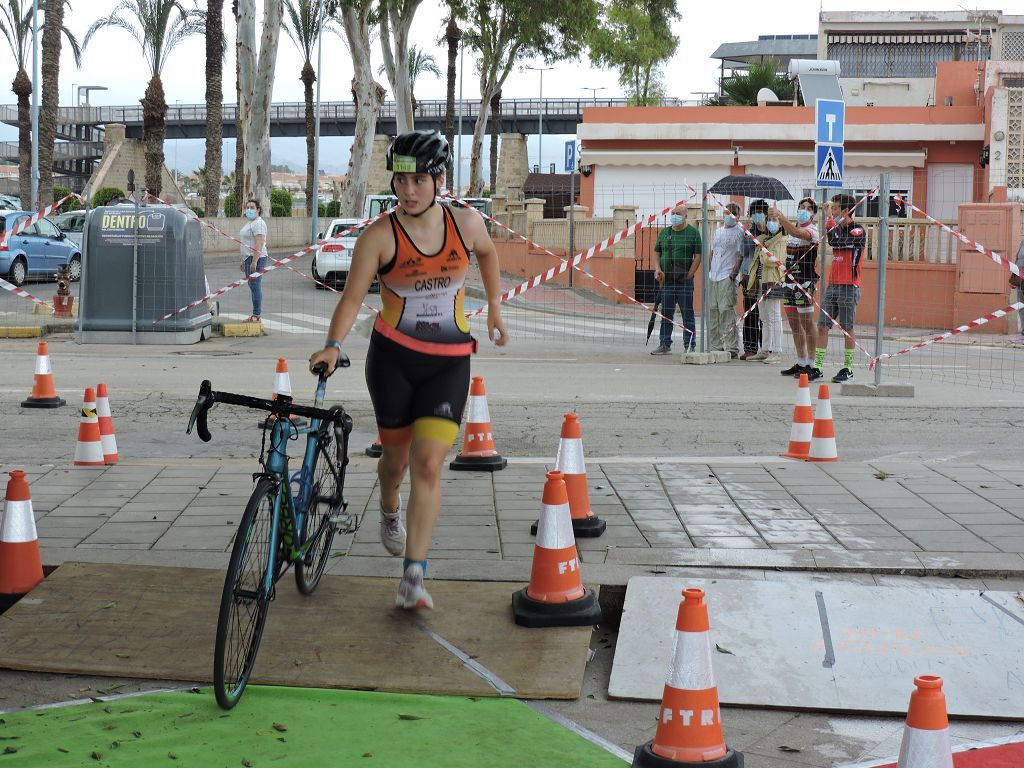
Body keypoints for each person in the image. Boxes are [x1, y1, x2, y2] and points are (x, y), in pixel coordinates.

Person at [308, 130, 508, 611]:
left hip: (449, 363)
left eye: (419, 179)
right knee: (394, 463)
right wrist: (333, 346)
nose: (409, 190)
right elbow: (353, 297)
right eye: (402, 180)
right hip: (393, 360)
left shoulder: (466, 223)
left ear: (440, 179)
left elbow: (488, 254)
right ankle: (388, 508)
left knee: (429, 462)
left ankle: (413, 575)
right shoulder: (379, 236)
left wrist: (496, 307)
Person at [812, 194, 866, 383]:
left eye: (835, 209)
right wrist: (832, 223)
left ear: (846, 211)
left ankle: (848, 368)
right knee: (821, 326)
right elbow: (833, 238)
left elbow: (835, 241)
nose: (832, 212)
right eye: (831, 209)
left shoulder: (858, 231)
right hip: (832, 285)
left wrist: (829, 220)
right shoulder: (836, 228)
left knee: (846, 327)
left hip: (849, 286)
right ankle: (817, 367)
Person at [770, 198, 819, 376]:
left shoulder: (812, 230)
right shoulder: (789, 231)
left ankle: (812, 364)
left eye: (808, 209)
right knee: (794, 324)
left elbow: (799, 233)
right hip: (789, 282)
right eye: (801, 207)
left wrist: (781, 217)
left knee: (807, 323)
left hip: (804, 282)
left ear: (813, 214)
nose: (803, 210)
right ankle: (801, 361)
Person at [650, 205, 701, 355]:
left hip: (684, 280)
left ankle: (690, 344)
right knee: (666, 313)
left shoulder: (693, 233)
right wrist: (657, 269)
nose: (674, 216)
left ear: (685, 216)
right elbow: (657, 252)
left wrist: (690, 274)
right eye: (672, 213)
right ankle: (665, 343)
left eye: (678, 214)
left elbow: (698, 256)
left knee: (687, 314)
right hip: (667, 281)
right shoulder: (665, 232)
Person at [746, 209, 788, 363]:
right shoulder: (763, 239)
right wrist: (763, 248)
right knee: (763, 317)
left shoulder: (783, 239)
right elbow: (757, 258)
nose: (771, 222)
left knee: (774, 316)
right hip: (759, 280)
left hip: (773, 280)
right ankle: (765, 349)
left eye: (774, 219)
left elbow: (774, 261)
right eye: (769, 219)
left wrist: (764, 251)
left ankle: (777, 351)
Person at [707, 202, 743, 357]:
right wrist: (709, 269)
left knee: (726, 311)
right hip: (713, 275)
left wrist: (733, 275)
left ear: (738, 215)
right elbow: (713, 251)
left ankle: (731, 346)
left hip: (727, 276)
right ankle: (716, 344)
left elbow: (740, 255)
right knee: (713, 311)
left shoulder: (740, 231)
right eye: (727, 212)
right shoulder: (718, 231)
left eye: (733, 212)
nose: (730, 215)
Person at [738, 200, 768, 359]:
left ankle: (766, 347)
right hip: (749, 275)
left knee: (765, 314)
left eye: (759, 212)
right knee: (750, 312)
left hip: (765, 276)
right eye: (753, 212)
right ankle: (750, 347)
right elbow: (743, 252)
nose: (756, 215)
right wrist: (749, 235)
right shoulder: (748, 232)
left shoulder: (772, 231)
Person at [239, 199, 268, 323]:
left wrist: (254, 261)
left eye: (252, 207)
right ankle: (255, 314)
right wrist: (244, 260)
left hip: (256, 258)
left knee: (255, 285)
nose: (249, 210)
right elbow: (247, 242)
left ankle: (256, 315)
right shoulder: (250, 223)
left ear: (258, 210)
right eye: (247, 207)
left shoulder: (258, 223)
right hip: (248, 257)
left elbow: (259, 243)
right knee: (252, 285)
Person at [1011, 238, 1024, 345]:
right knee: (1021, 307)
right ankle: (1023, 334)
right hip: (1020, 279)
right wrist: (1013, 278)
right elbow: (1018, 260)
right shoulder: (1023, 241)